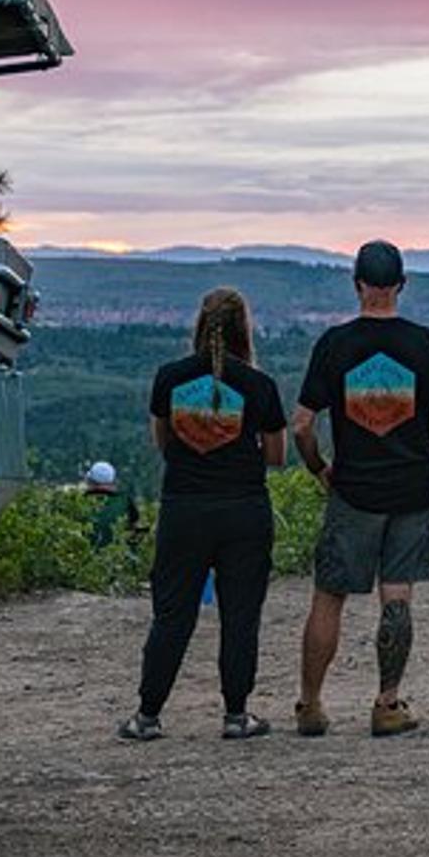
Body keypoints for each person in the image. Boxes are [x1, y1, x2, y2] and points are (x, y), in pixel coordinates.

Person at [293, 240, 429, 737]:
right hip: (413, 488)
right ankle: (387, 704)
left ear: (356, 285)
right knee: (397, 597)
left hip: (354, 488)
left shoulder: (334, 345)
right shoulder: (427, 344)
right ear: (402, 286)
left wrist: (319, 469)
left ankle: (311, 705)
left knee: (329, 596)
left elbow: (302, 425)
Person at [120, 287, 286, 743]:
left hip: (184, 509)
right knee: (240, 616)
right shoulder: (259, 386)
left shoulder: (169, 379)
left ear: (199, 326)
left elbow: (164, 443)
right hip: (244, 510)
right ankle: (236, 715)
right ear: (243, 330)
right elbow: (276, 455)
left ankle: (147, 715)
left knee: (172, 615)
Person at [82, 459, 140, 548]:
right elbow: (135, 529)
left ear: (90, 480)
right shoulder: (125, 501)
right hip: (119, 558)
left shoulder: (79, 502)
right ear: (112, 481)